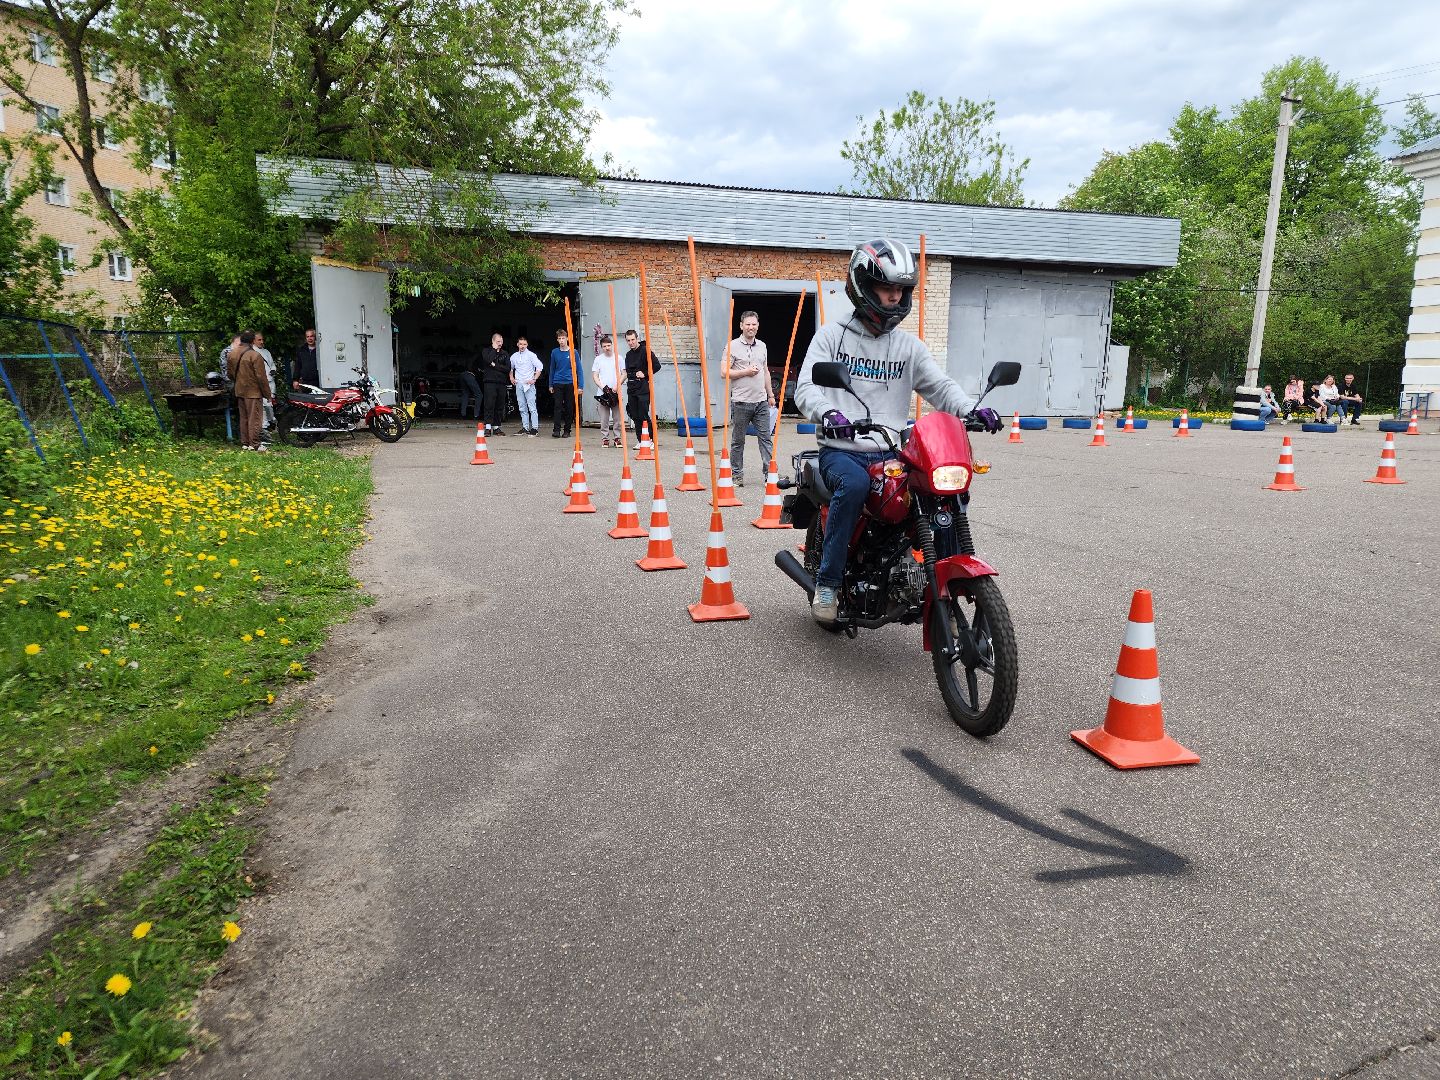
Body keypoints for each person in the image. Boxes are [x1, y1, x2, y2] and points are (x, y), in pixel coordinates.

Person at [795, 239, 1000, 625]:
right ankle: (828, 583)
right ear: (863, 287)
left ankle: (947, 584)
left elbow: (940, 387)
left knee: (943, 492)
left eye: (901, 290)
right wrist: (829, 412)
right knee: (853, 487)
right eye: (886, 289)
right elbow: (805, 388)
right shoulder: (831, 336)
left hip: (892, 450)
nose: (894, 297)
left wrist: (971, 409)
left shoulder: (908, 346)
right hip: (844, 448)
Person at [723, 310, 775, 487]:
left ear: (757, 326)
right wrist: (746, 371)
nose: (751, 327)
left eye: (754, 324)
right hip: (741, 402)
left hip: (760, 401)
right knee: (738, 441)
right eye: (748, 324)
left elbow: (766, 371)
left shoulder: (762, 346)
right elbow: (724, 372)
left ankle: (770, 475)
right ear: (741, 326)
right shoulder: (732, 346)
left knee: (766, 438)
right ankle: (736, 475)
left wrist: (770, 395)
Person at [230, 331, 269, 452]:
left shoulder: (232, 354)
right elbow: (261, 377)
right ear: (252, 341)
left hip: (239, 390)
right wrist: (267, 394)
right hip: (253, 392)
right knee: (255, 418)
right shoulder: (254, 355)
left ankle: (245, 443)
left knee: (244, 417)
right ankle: (255, 444)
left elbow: (230, 374)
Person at [623, 329, 658, 449]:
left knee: (643, 414)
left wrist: (645, 373)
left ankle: (650, 440)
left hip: (643, 388)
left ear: (637, 338)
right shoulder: (628, 355)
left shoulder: (645, 351)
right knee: (634, 415)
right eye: (628, 341)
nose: (631, 342)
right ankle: (640, 440)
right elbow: (627, 372)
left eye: (633, 340)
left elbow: (657, 366)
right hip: (632, 388)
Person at [591, 334, 623, 447]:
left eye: (609, 345)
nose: (607, 348)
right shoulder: (598, 359)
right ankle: (605, 438)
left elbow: (624, 374)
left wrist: (617, 385)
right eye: (604, 346)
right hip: (603, 393)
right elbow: (595, 375)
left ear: (612, 345)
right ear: (601, 347)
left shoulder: (619, 358)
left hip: (615, 392)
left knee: (617, 418)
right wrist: (602, 386)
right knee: (604, 419)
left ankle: (617, 438)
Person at [549, 328, 582, 438]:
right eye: (559, 338)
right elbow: (552, 369)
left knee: (569, 407)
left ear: (567, 338)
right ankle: (556, 430)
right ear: (557, 340)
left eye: (563, 338)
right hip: (558, 382)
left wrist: (580, 386)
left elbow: (579, 370)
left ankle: (567, 430)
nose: (562, 340)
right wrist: (550, 384)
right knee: (557, 406)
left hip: (570, 382)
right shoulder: (554, 352)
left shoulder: (573, 352)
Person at [509, 335, 542, 436]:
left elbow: (540, 367)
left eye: (524, 344)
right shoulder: (514, 356)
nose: (522, 346)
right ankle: (525, 427)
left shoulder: (531, 355)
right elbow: (510, 368)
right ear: (517, 344)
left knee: (532, 407)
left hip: (529, 384)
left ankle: (535, 428)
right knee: (522, 407)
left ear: (527, 345)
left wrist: (534, 379)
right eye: (520, 344)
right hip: (519, 383)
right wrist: (511, 378)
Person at [480, 332, 510, 435]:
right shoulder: (486, 351)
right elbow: (488, 360)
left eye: (501, 341)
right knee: (489, 404)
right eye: (498, 341)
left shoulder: (505, 353)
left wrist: (494, 365)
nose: (500, 343)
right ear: (493, 341)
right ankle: (488, 427)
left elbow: (507, 368)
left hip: (501, 383)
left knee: (499, 405)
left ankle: (497, 427)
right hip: (489, 382)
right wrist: (493, 349)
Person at [254, 332, 277, 438]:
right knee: (263, 405)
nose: (262, 342)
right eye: (259, 340)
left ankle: (271, 422)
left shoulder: (266, 351)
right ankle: (264, 426)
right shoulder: (252, 352)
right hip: (261, 383)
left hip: (270, 381)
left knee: (270, 404)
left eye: (262, 340)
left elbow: (272, 364)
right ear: (254, 340)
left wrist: (273, 370)